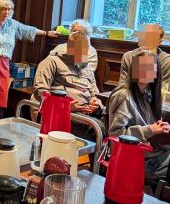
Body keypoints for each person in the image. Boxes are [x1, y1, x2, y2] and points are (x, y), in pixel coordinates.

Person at [107, 50, 170, 182]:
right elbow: (115, 136)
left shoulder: (148, 94)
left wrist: (160, 127)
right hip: (134, 159)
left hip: (151, 153)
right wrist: (150, 130)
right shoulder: (123, 95)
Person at [32, 30, 104, 123]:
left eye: (85, 50)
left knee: (109, 121)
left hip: (88, 113)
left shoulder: (87, 69)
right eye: (79, 50)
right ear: (69, 48)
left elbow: (95, 94)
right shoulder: (52, 61)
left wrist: (96, 105)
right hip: (61, 112)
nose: (82, 54)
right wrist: (64, 106)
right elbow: (40, 91)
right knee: (96, 127)